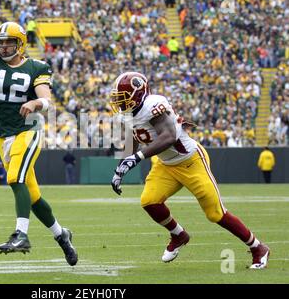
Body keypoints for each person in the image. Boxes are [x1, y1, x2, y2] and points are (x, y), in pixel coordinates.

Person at [0, 12, 78, 266]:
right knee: (32, 196)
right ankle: (61, 235)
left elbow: (46, 100)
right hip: (4, 138)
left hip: (29, 132)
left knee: (15, 177)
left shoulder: (37, 67)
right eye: (0, 42)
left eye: (9, 42)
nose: (3, 46)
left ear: (20, 44)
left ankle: (21, 234)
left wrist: (35, 102)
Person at [109, 72, 270, 269]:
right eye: (118, 100)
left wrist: (138, 157)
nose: (120, 104)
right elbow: (134, 137)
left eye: (123, 98)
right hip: (165, 165)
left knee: (215, 213)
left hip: (191, 161)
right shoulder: (128, 115)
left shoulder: (153, 105)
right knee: (149, 201)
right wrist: (121, 168)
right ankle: (178, 235)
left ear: (139, 93)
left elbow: (168, 136)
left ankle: (258, 247)